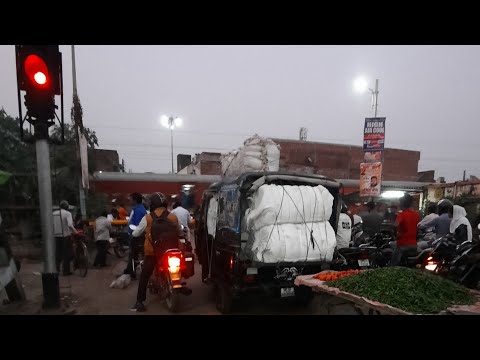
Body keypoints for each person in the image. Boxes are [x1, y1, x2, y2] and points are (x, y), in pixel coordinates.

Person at [130, 192, 181, 312]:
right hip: (171, 251)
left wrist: (135, 233)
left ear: (152, 204)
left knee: (144, 276)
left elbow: (136, 233)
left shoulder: (147, 218)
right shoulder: (172, 217)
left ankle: (140, 302)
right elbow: (179, 232)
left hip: (153, 253)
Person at [122, 192, 147, 279]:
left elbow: (136, 225)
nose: (129, 201)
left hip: (136, 236)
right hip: (140, 235)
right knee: (137, 255)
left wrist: (131, 233)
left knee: (133, 255)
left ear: (135, 200)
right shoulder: (140, 209)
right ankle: (130, 270)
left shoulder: (138, 210)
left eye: (131, 199)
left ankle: (132, 273)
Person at [391, 193, 419, 266]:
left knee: (393, 265)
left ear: (402, 204)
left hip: (402, 244)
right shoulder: (416, 215)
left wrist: (395, 235)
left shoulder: (401, 214)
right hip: (414, 245)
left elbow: (395, 225)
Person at [52, 200, 78, 275]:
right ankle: (66, 271)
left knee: (58, 253)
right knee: (68, 253)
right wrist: (75, 231)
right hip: (66, 236)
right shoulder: (67, 213)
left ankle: (56, 269)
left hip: (56, 236)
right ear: (67, 207)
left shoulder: (53, 213)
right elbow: (70, 224)